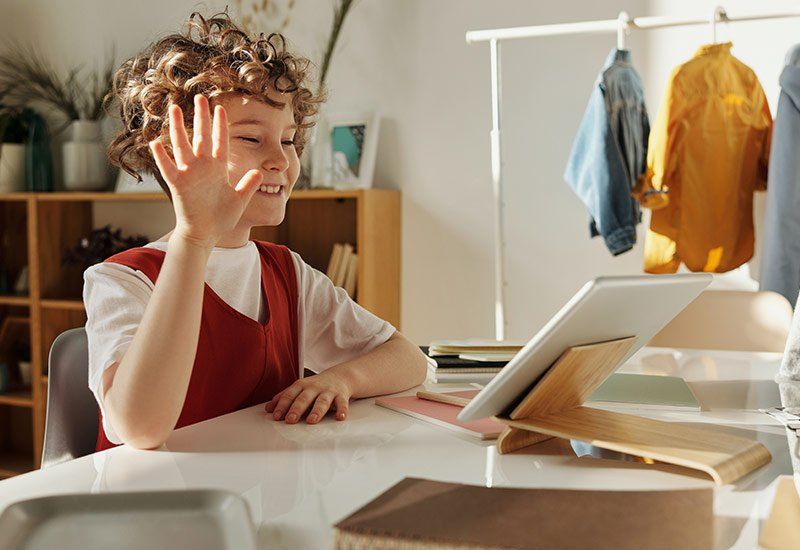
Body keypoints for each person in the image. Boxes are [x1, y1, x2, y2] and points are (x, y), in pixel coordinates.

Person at [84, 11, 427, 451]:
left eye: (288, 140)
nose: (281, 161)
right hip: (155, 494)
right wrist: (194, 238)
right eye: (251, 139)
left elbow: (408, 359)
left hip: (262, 487)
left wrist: (342, 378)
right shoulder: (120, 281)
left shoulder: (288, 274)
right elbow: (141, 428)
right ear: (175, 153)